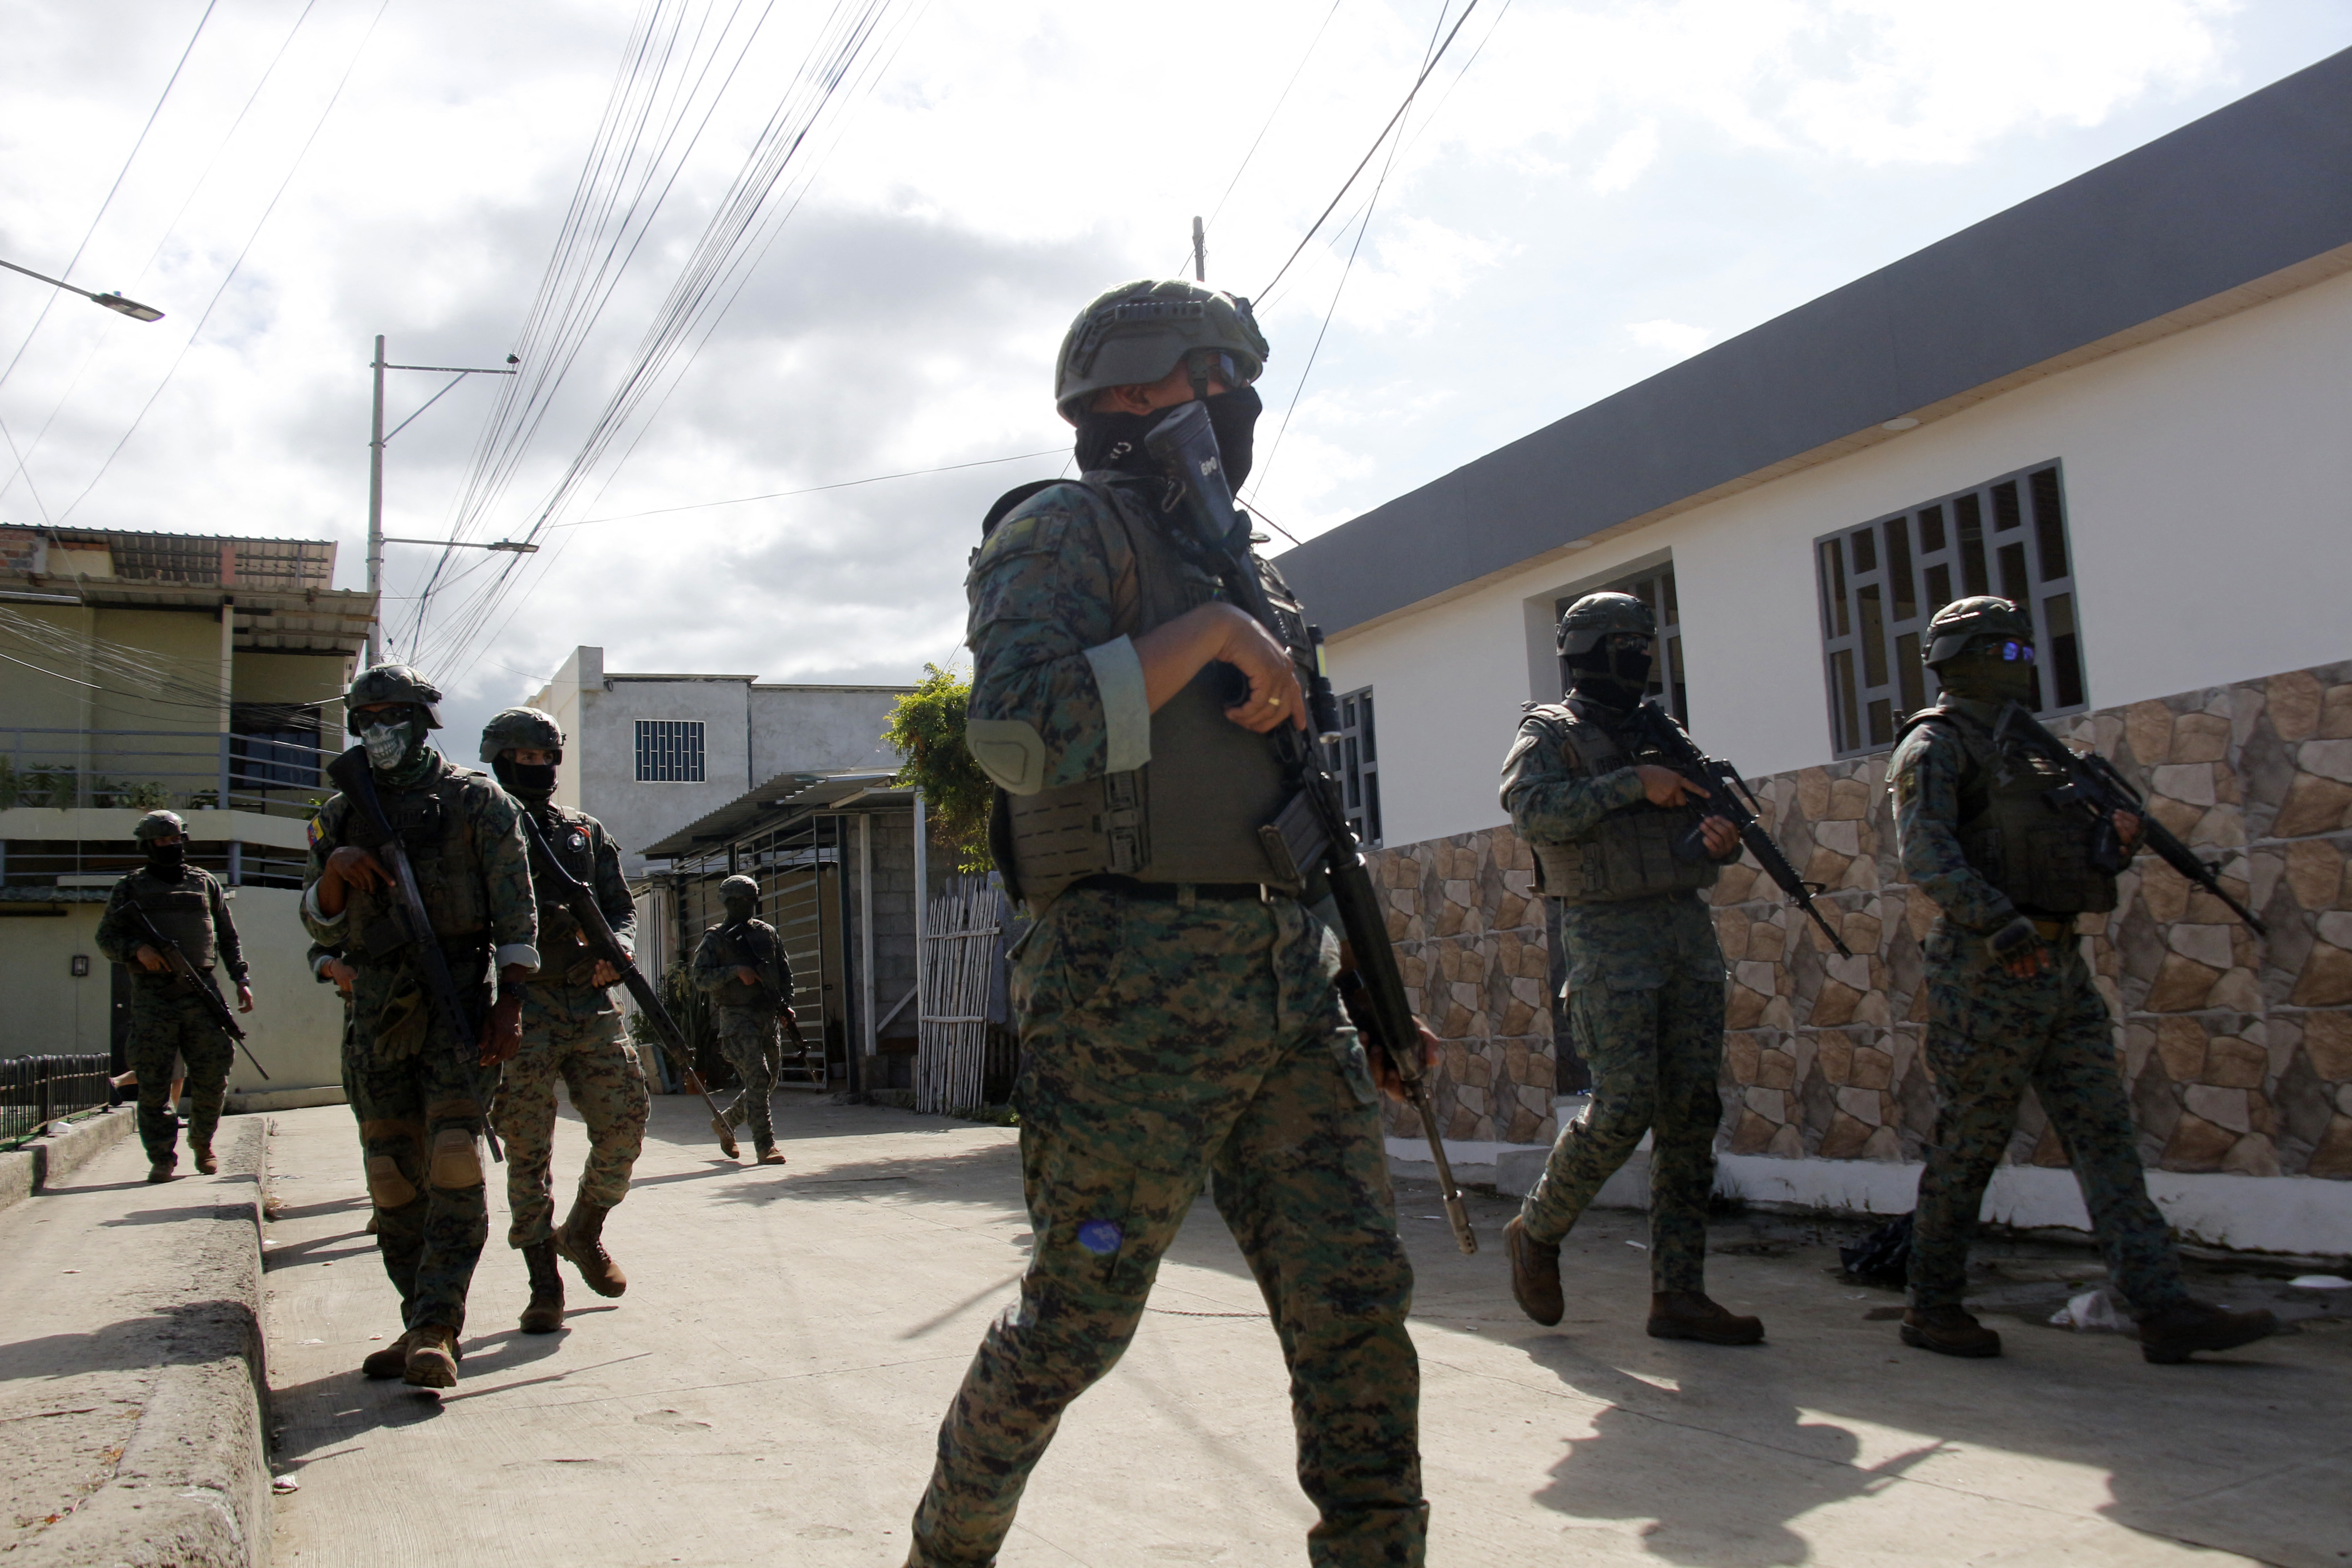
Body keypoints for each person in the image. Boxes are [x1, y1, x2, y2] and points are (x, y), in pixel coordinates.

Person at [901, 279, 1426, 1568]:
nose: (1236, 408)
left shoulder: (1238, 569)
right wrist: (1204, 637)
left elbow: (1308, 816)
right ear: (1133, 395)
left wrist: (1374, 995)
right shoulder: (1063, 534)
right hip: (1127, 983)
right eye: (1216, 380)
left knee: (1355, 1308)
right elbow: (1017, 735)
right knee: (1078, 1317)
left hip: (1284, 986)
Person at [1888, 597, 2277, 1364]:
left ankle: (2158, 1305)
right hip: (1988, 964)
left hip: (2057, 963)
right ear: (1961, 658)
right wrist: (2000, 926)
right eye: (2005, 654)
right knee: (1969, 1141)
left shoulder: (2034, 753)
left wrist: (2113, 845)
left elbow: (2070, 862)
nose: (2021, 666)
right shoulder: (1933, 747)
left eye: (2020, 653)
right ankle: (1930, 1305)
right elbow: (1927, 856)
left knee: (2104, 1136)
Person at [1498, 593, 1760, 1344]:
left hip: (1683, 930)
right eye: (1622, 645)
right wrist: (1628, 784)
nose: (1638, 658)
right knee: (1623, 1104)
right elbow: (1529, 811)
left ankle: (1678, 1292)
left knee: (1689, 1113)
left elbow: (1705, 822)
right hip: (1607, 935)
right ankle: (1536, 1231)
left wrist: (1717, 840)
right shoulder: (1548, 732)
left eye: (1643, 644)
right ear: (1585, 650)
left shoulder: (1659, 729)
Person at [300, 664, 538, 1391]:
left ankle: (440, 1326)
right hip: (377, 1009)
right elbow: (317, 922)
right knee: (390, 1175)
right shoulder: (339, 814)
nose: (378, 726)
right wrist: (337, 870)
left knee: (454, 1160)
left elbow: (516, 917)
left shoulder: (479, 803)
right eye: (365, 714)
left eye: (392, 712)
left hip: (460, 1002)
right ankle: (415, 1318)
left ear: (423, 718)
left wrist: (510, 1006)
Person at [480, 706, 651, 1331]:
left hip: (588, 999)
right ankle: (542, 1281)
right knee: (528, 1149)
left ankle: (583, 1231)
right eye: (526, 759)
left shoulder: (584, 830)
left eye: (547, 758)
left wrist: (621, 949)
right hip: (518, 1006)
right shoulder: (481, 828)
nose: (539, 769)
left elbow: (619, 907)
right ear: (500, 759)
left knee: (627, 1122)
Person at [94, 809, 253, 1182]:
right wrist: (137, 950)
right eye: (163, 841)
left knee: (214, 1072)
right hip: (154, 996)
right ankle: (162, 1157)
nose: (171, 846)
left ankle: (202, 1143)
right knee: (153, 1080)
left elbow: (227, 937)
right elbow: (106, 938)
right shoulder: (130, 888)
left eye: (176, 839)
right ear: (148, 845)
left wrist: (241, 978)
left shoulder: (205, 883)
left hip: (201, 990)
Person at [690, 875, 792, 1166]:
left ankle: (727, 1121)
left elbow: (784, 974)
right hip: (737, 1018)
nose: (747, 906)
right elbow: (700, 978)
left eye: (751, 901)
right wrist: (735, 971)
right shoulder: (716, 938)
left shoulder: (767, 933)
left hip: (767, 1017)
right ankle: (765, 1146)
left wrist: (786, 1007)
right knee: (758, 1077)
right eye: (741, 901)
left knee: (767, 1081)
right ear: (728, 903)